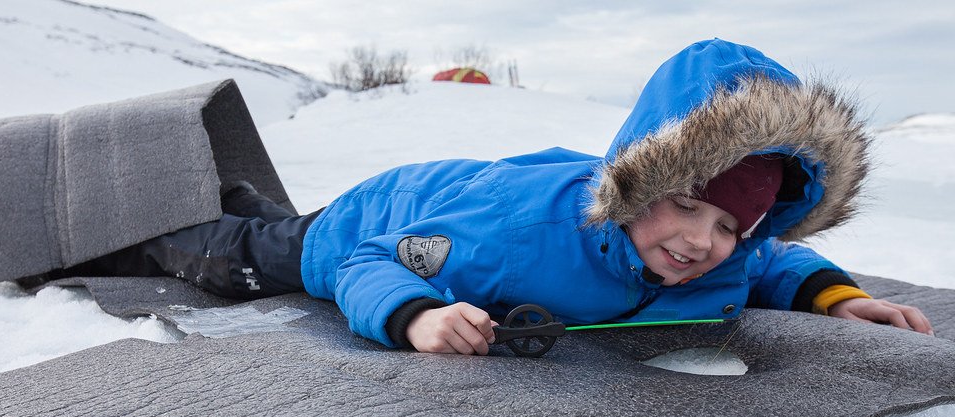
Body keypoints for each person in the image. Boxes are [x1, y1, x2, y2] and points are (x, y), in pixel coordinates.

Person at [65, 38, 933, 353]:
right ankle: (149, 232)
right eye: (685, 206)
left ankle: (245, 198)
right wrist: (415, 315)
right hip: (383, 217)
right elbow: (369, 260)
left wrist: (837, 296)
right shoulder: (515, 239)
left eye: (728, 225)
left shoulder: (728, 255)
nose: (702, 242)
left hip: (452, 201)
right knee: (246, 259)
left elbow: (774, 261)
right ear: (637, 185)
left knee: (272, 224)